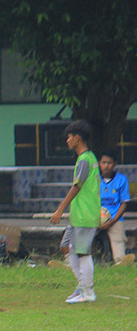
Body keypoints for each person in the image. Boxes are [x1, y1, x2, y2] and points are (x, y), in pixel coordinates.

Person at [51, 120, 101, 303]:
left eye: (69, 137)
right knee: (66, 246)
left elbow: (77, 186)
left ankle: (88, 292)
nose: (67, 140)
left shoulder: (85, 160)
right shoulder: (88, 158)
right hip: (79, 215)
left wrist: (60, 209)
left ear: (78, 138)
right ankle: (82, 286)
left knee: (83, 252)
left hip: (85, 215)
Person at [98, 150, 132, 264]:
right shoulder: (94, 179)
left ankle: (120, 262)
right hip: (96, 218)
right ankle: (73, 262)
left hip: (115, 219)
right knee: (83, 236)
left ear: (114, 164)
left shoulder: (121, 180)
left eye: (109, 163)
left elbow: (124, 203)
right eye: (103, 162)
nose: (106, 166)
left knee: (118, 241)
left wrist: (112, 221)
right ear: (99, 163)